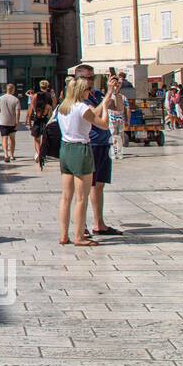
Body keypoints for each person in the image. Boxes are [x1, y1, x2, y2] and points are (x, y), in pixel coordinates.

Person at [56, 72, 114, 247]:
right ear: (82, 91)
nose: (90, 91)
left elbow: (88, 116)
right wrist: (105, 107)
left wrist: (105, 99)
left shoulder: (62, 107)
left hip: (65, 150)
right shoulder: (82, 108)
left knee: (66, 197)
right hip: (81, 150)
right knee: (81, 198)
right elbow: (103, 124)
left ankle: (63, 235)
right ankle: (79, 236)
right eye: (88, 89)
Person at [76, 64, 124, 238]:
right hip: (90, 144)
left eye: (92, 77)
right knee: (86, 188)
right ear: (79, 79)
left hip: (104, 143)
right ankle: (82, 226)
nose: (91, 81)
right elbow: (92, 116)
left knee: (100, 185)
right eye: (87, 78)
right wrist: (108, 95)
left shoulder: (97, 94)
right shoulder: (79, 98)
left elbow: (118, 108)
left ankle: (99, 223)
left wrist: (116, 92)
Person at [0, 83, 22, 162]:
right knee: (12, 138)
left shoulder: (0, 98)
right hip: (12, 122)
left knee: (4, 138)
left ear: (6, 89)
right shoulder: (16, 99)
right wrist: (17, 122)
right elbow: (18, 112)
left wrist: (1, 114)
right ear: (13, 89)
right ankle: (12, 155)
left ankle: (5, 155)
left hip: (3, 122)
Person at [29, 85, 54, 163]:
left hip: (37, 120)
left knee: (37, 139)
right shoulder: (49, 102)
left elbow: (31, 111)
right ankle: (43, 154)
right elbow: (52, 112)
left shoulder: (35, 100)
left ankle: (39, 154)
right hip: (45, 120)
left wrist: (29, 123)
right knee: (44, 138)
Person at [108, 82, 130, 160]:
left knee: (120, 136)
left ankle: (119, 152)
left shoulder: (123, 97)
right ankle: (113, 152)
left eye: (117, 86)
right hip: (111, 119)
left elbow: (127, 108)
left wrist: (128, 120)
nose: (115, 88)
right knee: (112, 135)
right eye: (114, 86)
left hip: (120, 119)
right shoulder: (109, 97)